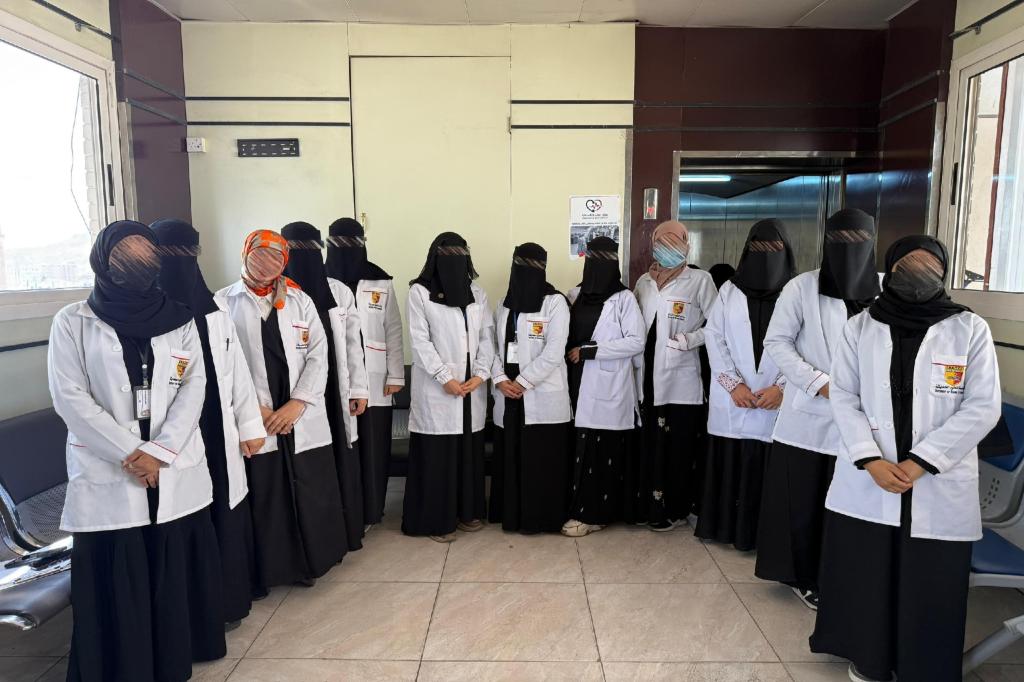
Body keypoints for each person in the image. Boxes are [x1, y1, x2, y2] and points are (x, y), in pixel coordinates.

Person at [810, 236, 1001, 682]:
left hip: (935, 480)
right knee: (868, 574)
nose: (918, 272)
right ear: (889, 268)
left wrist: (922, 461)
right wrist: (870, 460)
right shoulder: (860, 326)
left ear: (944, 271)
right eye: (908, 263)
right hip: (870, 475)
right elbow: (844, 397)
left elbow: (983, 407)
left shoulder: (969, 328)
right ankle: (869, 658)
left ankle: (924, 666)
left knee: (929, 582)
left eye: (929, 264)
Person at [49, 220, 225, 681]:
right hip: (111, 469)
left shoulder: (180, 317)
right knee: (122, 569)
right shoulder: (72, 321)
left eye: (146, 257)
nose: (137, 265)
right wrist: (134, 453)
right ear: (101, 261)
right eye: (124, 257)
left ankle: (172, 658)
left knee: (168, 564)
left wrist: (161, 452)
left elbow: (195, 386)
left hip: (171, 465)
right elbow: (70, 398)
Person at [755, 208, 881, 609]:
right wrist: (818, 383)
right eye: (839, 240)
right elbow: (776, 342)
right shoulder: (802, 287)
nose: (849, 249)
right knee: (804, 502)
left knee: (852, 503)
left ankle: (842, 575)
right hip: (810, 417)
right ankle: (803, 576)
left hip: (865, 418)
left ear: (872, 244)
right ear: (826, 242)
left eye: (858, 241)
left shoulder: (885, 289)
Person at [151, 218, 267, 630]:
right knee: (186, 516)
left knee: (223, 507)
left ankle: (227, 604)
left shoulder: (215, 311)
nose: (181, 262)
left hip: (219, 428)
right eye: (170, 254)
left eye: (189, 253)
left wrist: (249, 427)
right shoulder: (149, 315)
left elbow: (238, 374)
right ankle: (191, 615)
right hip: (172, 435)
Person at [217, 230, 347, 589]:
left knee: (309, 488)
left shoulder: (300, 300)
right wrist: (255, 410)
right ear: (245, 254)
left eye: (275, 258)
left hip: (299, 412)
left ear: (284, 262)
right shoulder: (223, 302)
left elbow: (319, 354)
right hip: (254, 413)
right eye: (258, 256)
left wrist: (297, 403)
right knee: (267, 494)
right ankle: (271, 571)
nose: (266, 265)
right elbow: (223, 364)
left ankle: (310, 564)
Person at [695, 219, 795, 550]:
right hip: (733, 399)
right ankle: (727, 530)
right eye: (758, 248)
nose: (765, 255)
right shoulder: (729, 290)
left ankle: (762, 537)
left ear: (786, 251)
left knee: (769, 467)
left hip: (775, 397)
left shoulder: (796, 292)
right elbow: (714, 337)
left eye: (773, 248)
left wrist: (782, 387)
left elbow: (804, 345)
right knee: (731, 464)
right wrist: (733, 385)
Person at [403, 233, 495, 542]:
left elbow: (486, 337)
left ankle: (467, 512)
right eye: (448, 254)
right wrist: (444, 377)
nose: (454, 261)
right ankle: (436, 520)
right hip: (438, 388)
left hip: (471, 386)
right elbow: (419, 341)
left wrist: (480, 374)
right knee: (439, 456)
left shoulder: (477, 293)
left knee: (468, 451)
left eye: (460, 254)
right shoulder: (419, 292)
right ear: (435, 257)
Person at [283, 221, 369, 551]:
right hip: (293, 394)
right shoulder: (278, 293)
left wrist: (358, 389)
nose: (302, 256)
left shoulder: (338, 290)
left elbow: (352, 344)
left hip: (335, 387)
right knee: (307, 465)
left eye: (309, 248)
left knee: (339, 456)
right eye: (294, 249)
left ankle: (345, 530)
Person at [633, 221, 717, 530]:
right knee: (649, 444)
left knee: (677, 446)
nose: (668, 249)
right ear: (653, 245)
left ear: (686, 246)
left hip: (680, 375)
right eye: (662, 243)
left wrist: (689, 340)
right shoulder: (643, 281)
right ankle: (647, 509)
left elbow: (718, 325)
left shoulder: (700, 280)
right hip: (646, 374)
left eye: (675, 242)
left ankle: (675, 510)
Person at [562, 236, 646, 537]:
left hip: (608, 384)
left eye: (606, 259)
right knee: (577, 448)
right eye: (594, 258)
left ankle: (595, 515)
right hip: (575, 382)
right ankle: (575, 509)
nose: (599, 265)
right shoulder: (574, 295)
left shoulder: (624, 299)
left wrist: (592, 350)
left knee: (600, 452)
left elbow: (637, 341)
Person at [325, 217, 404, 525]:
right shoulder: (319, 279)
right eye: (339, 243)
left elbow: (393, 328)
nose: (346, 249)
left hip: (376, 378)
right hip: (334, 377)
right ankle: (345, 509)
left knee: (374, 446)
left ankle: (372, 508)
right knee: (343, 444)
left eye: (353, 243)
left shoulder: (380, 280)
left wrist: (395, 374)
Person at [488, 243, 572, 533]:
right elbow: (492, 346)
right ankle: (511, 517)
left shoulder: (555, 302)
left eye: (534, 267)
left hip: (539, 392)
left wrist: (523, 382)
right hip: (508, 393)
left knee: (540, 461)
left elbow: (555, 351)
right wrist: (499, 378)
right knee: (511, 457)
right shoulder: (504, 303)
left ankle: (540, 520)